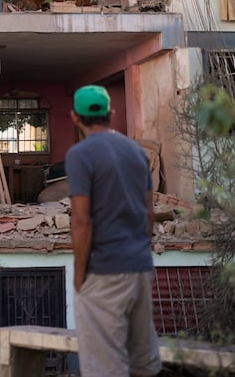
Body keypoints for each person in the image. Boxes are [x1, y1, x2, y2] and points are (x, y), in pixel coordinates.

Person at [66, 85, 161, 377]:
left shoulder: (80, 155)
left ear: (74, 118)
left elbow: (82, 220)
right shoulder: (136, 151)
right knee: (143, 364)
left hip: (104, 273)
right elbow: (148, 215)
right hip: (140, 269)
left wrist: (80, 276)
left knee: (106, 368)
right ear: (111, 113)